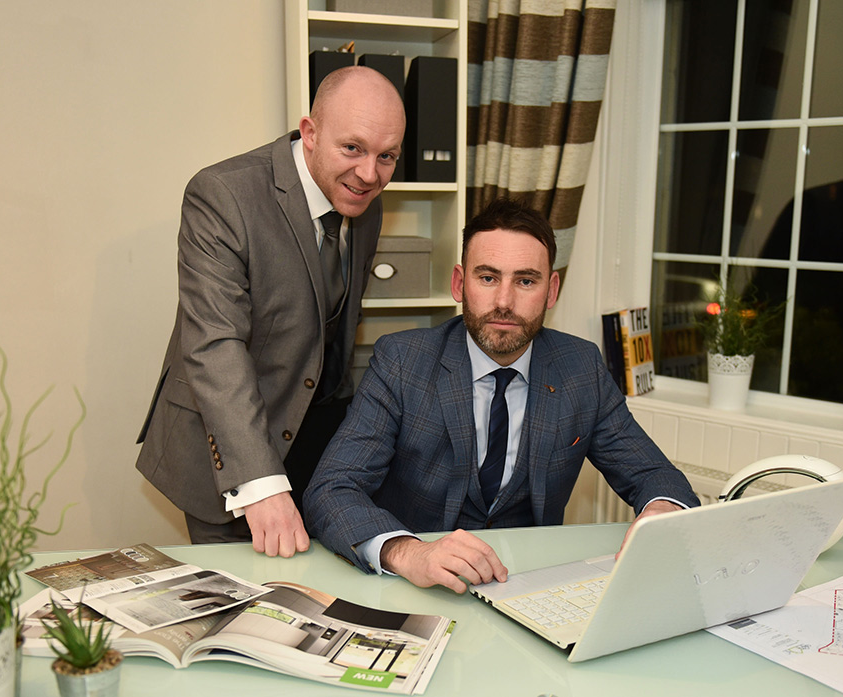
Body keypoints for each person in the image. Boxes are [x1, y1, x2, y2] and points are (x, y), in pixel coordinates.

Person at [303, 199, 700, 593]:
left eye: (525, 281)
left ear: (551, 290)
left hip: (528, 587)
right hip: (419, 587)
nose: (504, 303)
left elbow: (656, 475)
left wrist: (662, 509)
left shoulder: (581, 367)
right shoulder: (403, 361)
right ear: (459, 283)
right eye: (488, 278)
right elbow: (331, 489)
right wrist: (408, 552)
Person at [135, 66, 406, 558]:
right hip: (230, 449)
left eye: (386, 156)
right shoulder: (222, 194)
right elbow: (214, 345)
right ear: (310, 132)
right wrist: (261, 484)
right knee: (242, 597)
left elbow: (334, 323)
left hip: (315, 438)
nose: (370, 174)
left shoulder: (363, 198)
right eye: (352, 148)